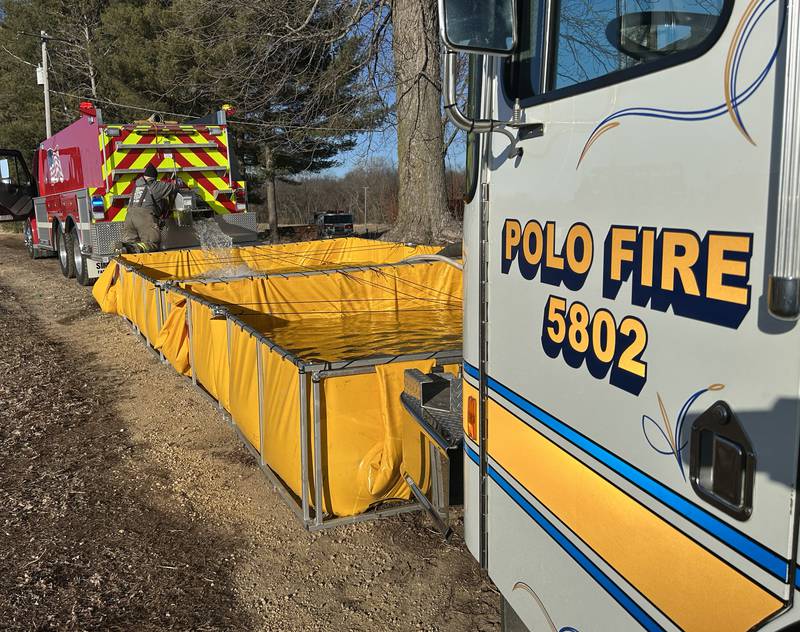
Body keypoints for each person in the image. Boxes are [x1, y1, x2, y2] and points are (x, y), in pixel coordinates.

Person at [115, 163, 180, 253]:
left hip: (129, 218)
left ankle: (124, 248)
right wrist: (176, 182)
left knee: (132, 244)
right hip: (144, 218)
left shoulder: (137, 187)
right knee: (152, 244)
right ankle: (130, 248)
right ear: (154, 178)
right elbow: (173, 188)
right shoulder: (155, 186)